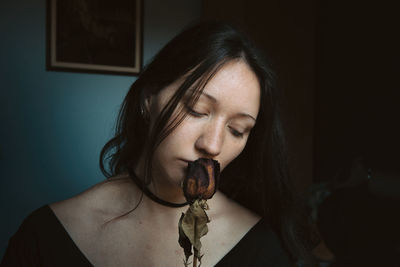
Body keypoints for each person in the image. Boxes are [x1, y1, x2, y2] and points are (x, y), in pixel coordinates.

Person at [1, 21, 317, 267]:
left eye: (237, 130)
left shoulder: (262, 249)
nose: (213, 145)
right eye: (196, 109)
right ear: (148, 99)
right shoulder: (45, 237)